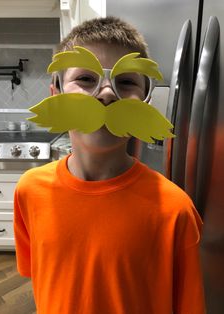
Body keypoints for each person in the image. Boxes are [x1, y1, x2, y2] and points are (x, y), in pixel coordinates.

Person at [14, 16, 206, 314]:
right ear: (56, 92)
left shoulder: (174, 210)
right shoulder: (29, 191)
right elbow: (44, 279)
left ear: (145, 100)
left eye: (126, 81)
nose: (105, 93)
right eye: (86, 79)